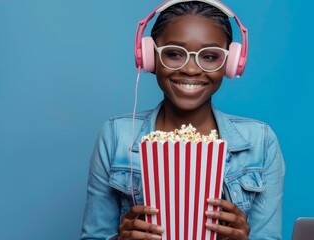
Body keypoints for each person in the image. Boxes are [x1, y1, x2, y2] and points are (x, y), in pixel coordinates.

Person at [80, 1, 285, 239]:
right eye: (174, 54)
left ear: (230, 64)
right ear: (149, 58)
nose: (190, 69)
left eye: (210, 56)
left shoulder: (260, 141)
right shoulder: (116, 135)